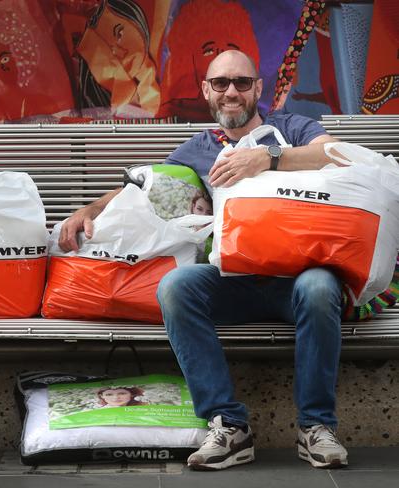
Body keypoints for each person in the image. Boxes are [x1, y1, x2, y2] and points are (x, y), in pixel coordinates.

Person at [58, 49, 349, 471]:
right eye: (221, 84)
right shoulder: (196, 150)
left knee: (321, 286)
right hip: (234, 279)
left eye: (242, 83)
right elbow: (147, 187)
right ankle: (229, 425)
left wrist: (267, 158)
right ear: (206, 91)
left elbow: (337, 154)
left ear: (259, 89)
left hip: (297, 280)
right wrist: (91, 209)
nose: (232, 92)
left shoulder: (290, 127)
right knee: (176, 287)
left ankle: (316, 427)